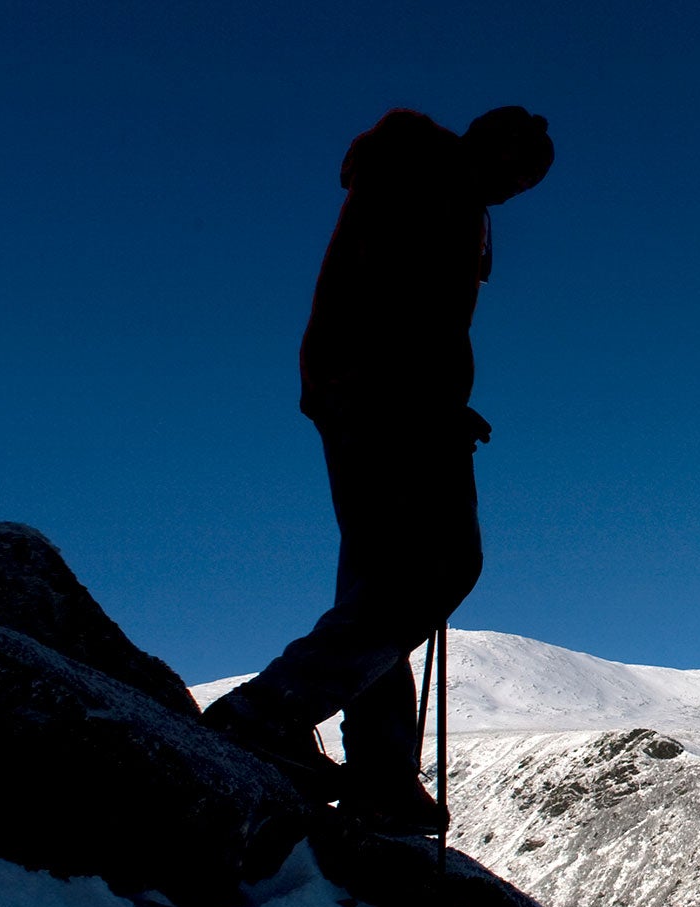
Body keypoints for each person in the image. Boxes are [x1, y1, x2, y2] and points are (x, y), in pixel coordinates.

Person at [206, 106, 553, 833]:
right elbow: (401, 297)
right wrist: (431, 402)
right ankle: (273, 712)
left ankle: (380, 773)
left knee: (382, 574)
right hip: (385, 394)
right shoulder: (429, 179)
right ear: (491, 148)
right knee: (440, 563)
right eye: (519, 172)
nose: (517, 190)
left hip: (359, 391)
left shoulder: (429, 181)